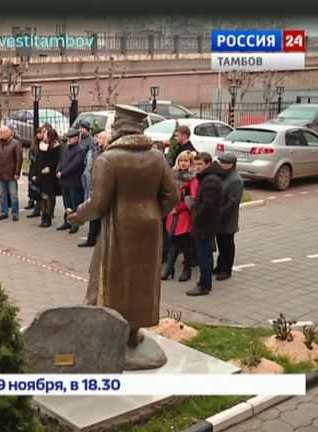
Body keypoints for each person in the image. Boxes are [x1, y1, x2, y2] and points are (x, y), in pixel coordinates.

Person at [68, 104, 178, 349]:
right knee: (141, 281)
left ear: (119, 127)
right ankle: (132, 333)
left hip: (119, 226)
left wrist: (78, 216)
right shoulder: (157, 157)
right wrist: (154, 214)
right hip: (149, 228)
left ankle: (109, 331)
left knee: (111, 278)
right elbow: (173, 195)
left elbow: (98, 203)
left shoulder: (109, 159)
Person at [187, 152, 224, 296]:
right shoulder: (207, 178)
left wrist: (195, 214)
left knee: (204, 256)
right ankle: (204, 282)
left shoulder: (210, 181)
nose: (197, 167)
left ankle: (204, 286)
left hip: (205, 224)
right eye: (196, 164)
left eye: (200, 164)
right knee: (205, 254)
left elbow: (208, 205)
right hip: (206, 223)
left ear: (208, 163)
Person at [161, 151, 199, 282]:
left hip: (184, 215)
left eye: (186, 161)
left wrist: (178, 209)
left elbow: (193, 199)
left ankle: (186, 269)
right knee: (172, 242)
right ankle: (169, 267)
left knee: (185, 244)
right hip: (172, 214)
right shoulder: (173, 176)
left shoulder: (193, 179)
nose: (183, 163)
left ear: (190, 163)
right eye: (181, 160)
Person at [56, 120, 91, 234]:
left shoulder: (80, 149)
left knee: (74, 204)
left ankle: (75, 224)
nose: (69, 139)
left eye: (71, 138)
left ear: (76, 138)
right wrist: (58, 170)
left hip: (74, 181)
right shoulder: (66, 148)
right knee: (67, 204)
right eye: (68, 137)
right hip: (64, 181)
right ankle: (67, 221)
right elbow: (61, 160)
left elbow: (75, 165)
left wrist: (63, 173)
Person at [214, 152, 244, 281]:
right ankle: (220, 266)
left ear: (231, 164)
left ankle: (227, 269)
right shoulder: (224, 176)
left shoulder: (236, 180)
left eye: (223, 163)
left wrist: (219, 213)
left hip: (227, 218)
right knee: (221, 243)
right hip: (220, 217)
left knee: (227, 244)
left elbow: (232, 202)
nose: (221, 164)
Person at [80, 131, 109, 247]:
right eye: (98, 138)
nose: (97, 140)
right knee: (94, 214)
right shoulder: (97, 151)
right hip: (95, 186)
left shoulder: (108, 153)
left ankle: (100, 239)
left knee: (102, 216)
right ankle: (91, 238)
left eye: (100, 138)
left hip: (103, 188)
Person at [31, 127, 61, 228]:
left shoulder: (55, 146)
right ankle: (43, 217)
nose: (43, 135)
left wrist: (49, 167)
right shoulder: (41, 145)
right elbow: (37, 161)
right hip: (41, 174)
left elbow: (56, 160)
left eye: (45, 133)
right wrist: (35, 174)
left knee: (47, 196)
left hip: (50, 175)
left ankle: (48, 217)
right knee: (41, 197)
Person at [0, 126, 23, 221]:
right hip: (0, 173)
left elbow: (19, 159)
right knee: (2, 195)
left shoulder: (15, 143)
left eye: (4, 132)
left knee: (13, 195)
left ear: (9, 133)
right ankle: (4, 212)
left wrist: (17, 172)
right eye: (1, 132)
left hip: (11, 173)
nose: (2, 134)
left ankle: (15, 213)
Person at [25, 125, 47, 219]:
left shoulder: (45, 144)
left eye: (41, 133)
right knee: (35, 190)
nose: (39, 135)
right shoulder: (34, 143)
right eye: (38, 133)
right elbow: (31, 155)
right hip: (34, 169)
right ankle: (36, 209)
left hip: (42, 170)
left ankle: (47, 212)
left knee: (43, 192)